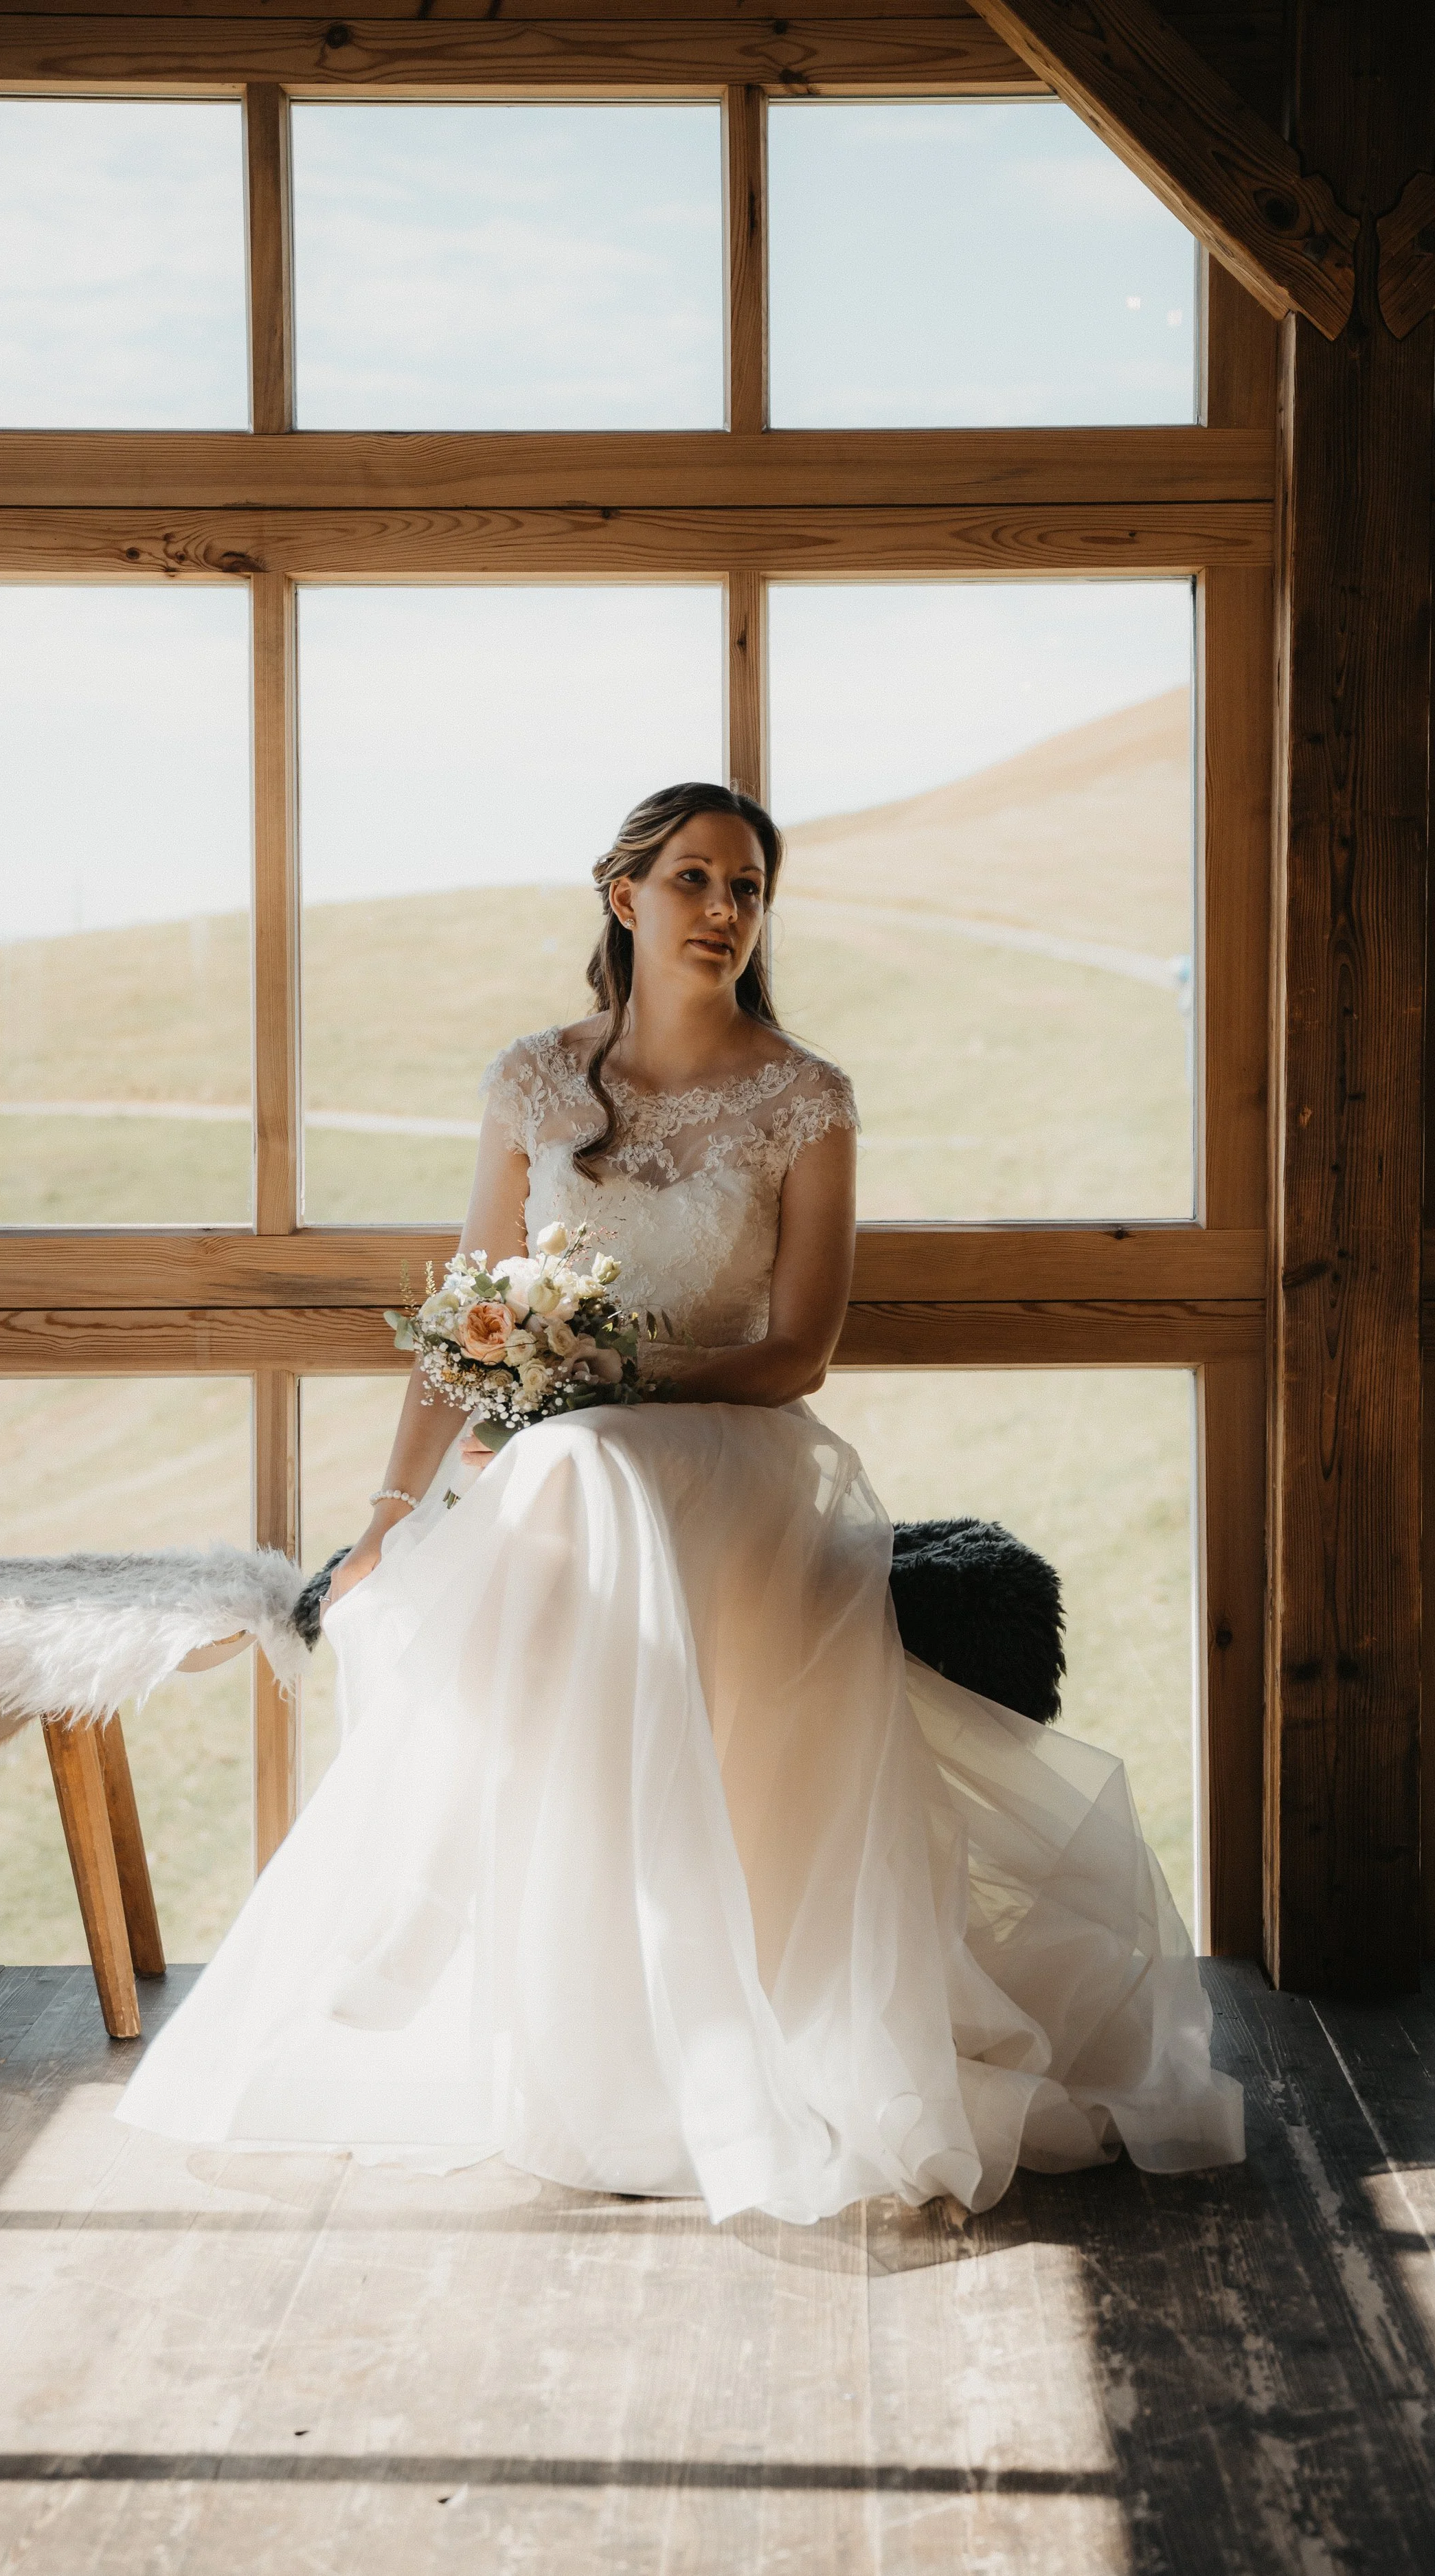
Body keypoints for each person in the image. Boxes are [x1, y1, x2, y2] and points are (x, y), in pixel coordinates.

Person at [117, 780, 1243, 2219]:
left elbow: (795, 1351)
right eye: (696, 880)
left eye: (748, 889)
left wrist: (608, 1391)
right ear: (623, 896)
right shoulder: (532, 1083)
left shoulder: (804, 1097)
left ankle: (671, 2020)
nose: (723, 911)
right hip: (571, 1469)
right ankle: (563, 2001)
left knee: (578, 1466)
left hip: (734, 1449)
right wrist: (390, 1510)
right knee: (559, 1482)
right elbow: (470, 1320)